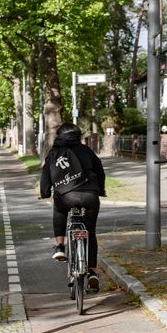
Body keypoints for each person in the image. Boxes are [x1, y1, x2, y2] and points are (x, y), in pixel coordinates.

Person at [40, 122, 106, 292]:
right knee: (90, 232)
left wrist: (45, 192)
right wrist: (100, 189)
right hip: (90, 197)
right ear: (77, 135)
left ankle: (60, 246)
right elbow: (100, 171)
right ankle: (91, 271)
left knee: (59, 209)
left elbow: (45, 177)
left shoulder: (54, 153)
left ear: (59, 136)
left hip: (65, 197)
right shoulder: (86, 151)